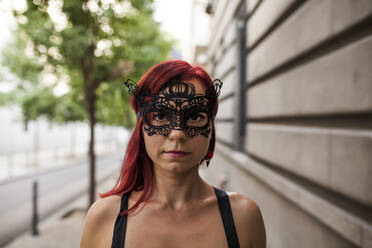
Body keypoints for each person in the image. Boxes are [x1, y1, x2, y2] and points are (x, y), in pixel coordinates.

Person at [80, 60, 266, 248]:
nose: (177, 134)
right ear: (142, 128)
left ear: (210, 128)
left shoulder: (243, 217)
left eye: (194, 116)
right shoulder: (104, 218)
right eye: (160, 116)